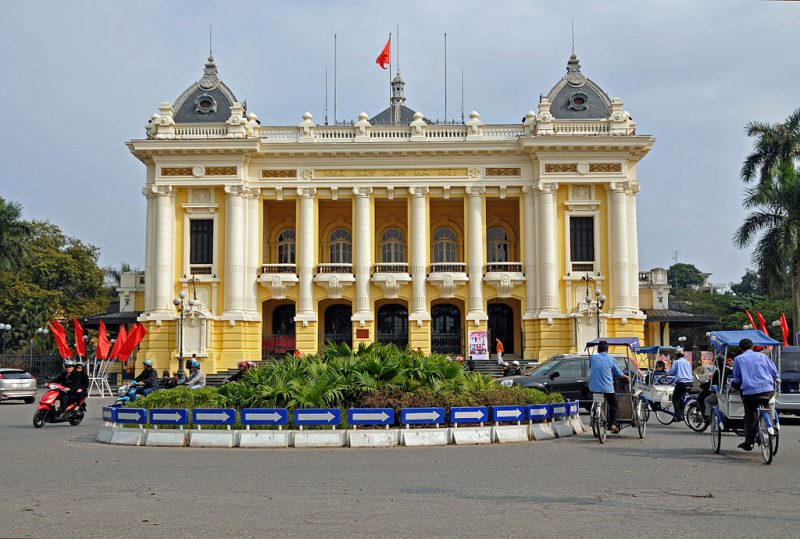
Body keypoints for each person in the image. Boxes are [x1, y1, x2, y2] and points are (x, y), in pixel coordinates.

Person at [731, 338, 779, 451]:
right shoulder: (763, 356)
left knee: (749, 415)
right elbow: (774, 372)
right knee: (766, 406)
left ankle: (749, 442)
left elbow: (737, 379)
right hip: (768, 390)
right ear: (753, 347)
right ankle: (769, 424)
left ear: (740, 348)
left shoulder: (738, 359)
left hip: (750, 393)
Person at [589, 340, 629, 433]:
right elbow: (618, 372)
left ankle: (594, 414)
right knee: (614, 405)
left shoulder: (592, 358)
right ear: (607, 349)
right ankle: (612, 424)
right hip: (607, 388)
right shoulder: (611, 359)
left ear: (598, 349)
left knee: (597, 400)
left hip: (594, 387)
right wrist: (626, 376)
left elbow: (591, 367)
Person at [699, 352, 734, 418]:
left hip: (721, 394)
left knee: (707, 400)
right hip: (729, 393)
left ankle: (708, 417)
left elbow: (711, 383)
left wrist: (702, 386)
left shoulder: (718, 371)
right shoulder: (729, 370)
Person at [667, 347, 693, 421]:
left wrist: (666, 374)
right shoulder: (688, 362)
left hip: (681, 383)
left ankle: (678, 416)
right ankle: (682, 411)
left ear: (676, 355)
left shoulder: (676, 362)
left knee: (675, 399)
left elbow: (672, 372)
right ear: (683, 355)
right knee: (681, 397)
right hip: (690, 383)